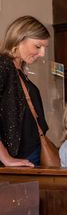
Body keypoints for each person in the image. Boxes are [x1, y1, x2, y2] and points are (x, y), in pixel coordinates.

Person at [0, 15, 51, 167]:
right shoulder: (3, 65)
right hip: (18, 156)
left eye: (44, 48)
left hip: (31, 153)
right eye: (37, 46)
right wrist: (5, 158)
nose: (42, 54)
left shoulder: (18, 70)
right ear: (19, 38)